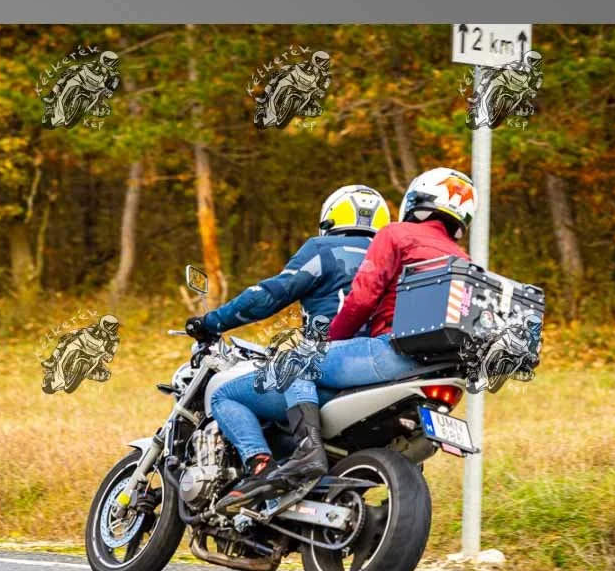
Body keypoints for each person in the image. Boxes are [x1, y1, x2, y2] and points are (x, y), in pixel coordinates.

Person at [203, 167, 478, 506]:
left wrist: (330, 342)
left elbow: (360, 299)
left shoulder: (393, 235)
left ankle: (294, 456)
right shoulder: (462, 259)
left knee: (277, 371)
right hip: (434, 368)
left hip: (389, 353)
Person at [184, 185, 391, 509]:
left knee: (224, 395)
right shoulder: (391, 258)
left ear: (331, 218)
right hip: (379, 371)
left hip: (328, 372)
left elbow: (268, 296)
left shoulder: (324, 250)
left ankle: (260, 467)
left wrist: (212, 322)